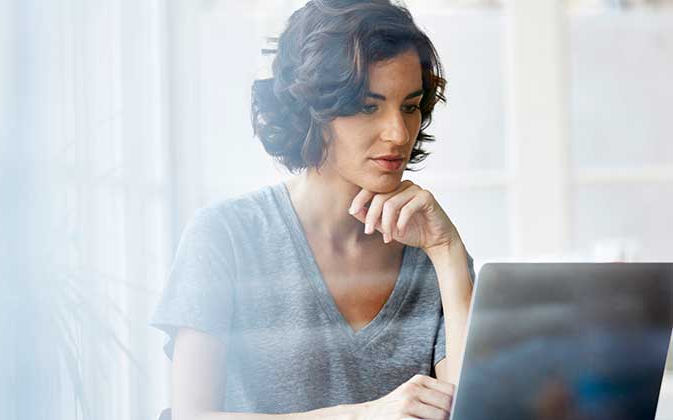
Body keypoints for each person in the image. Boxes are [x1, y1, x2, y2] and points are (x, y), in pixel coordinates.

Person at [151, 1, 476, 419]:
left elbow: (473, 410)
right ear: (312, 109)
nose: (398, 133)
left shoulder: (433, 252)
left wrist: (447, 252)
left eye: (410, 106)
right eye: (367, 106)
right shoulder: (225, 236)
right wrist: (362, 415)